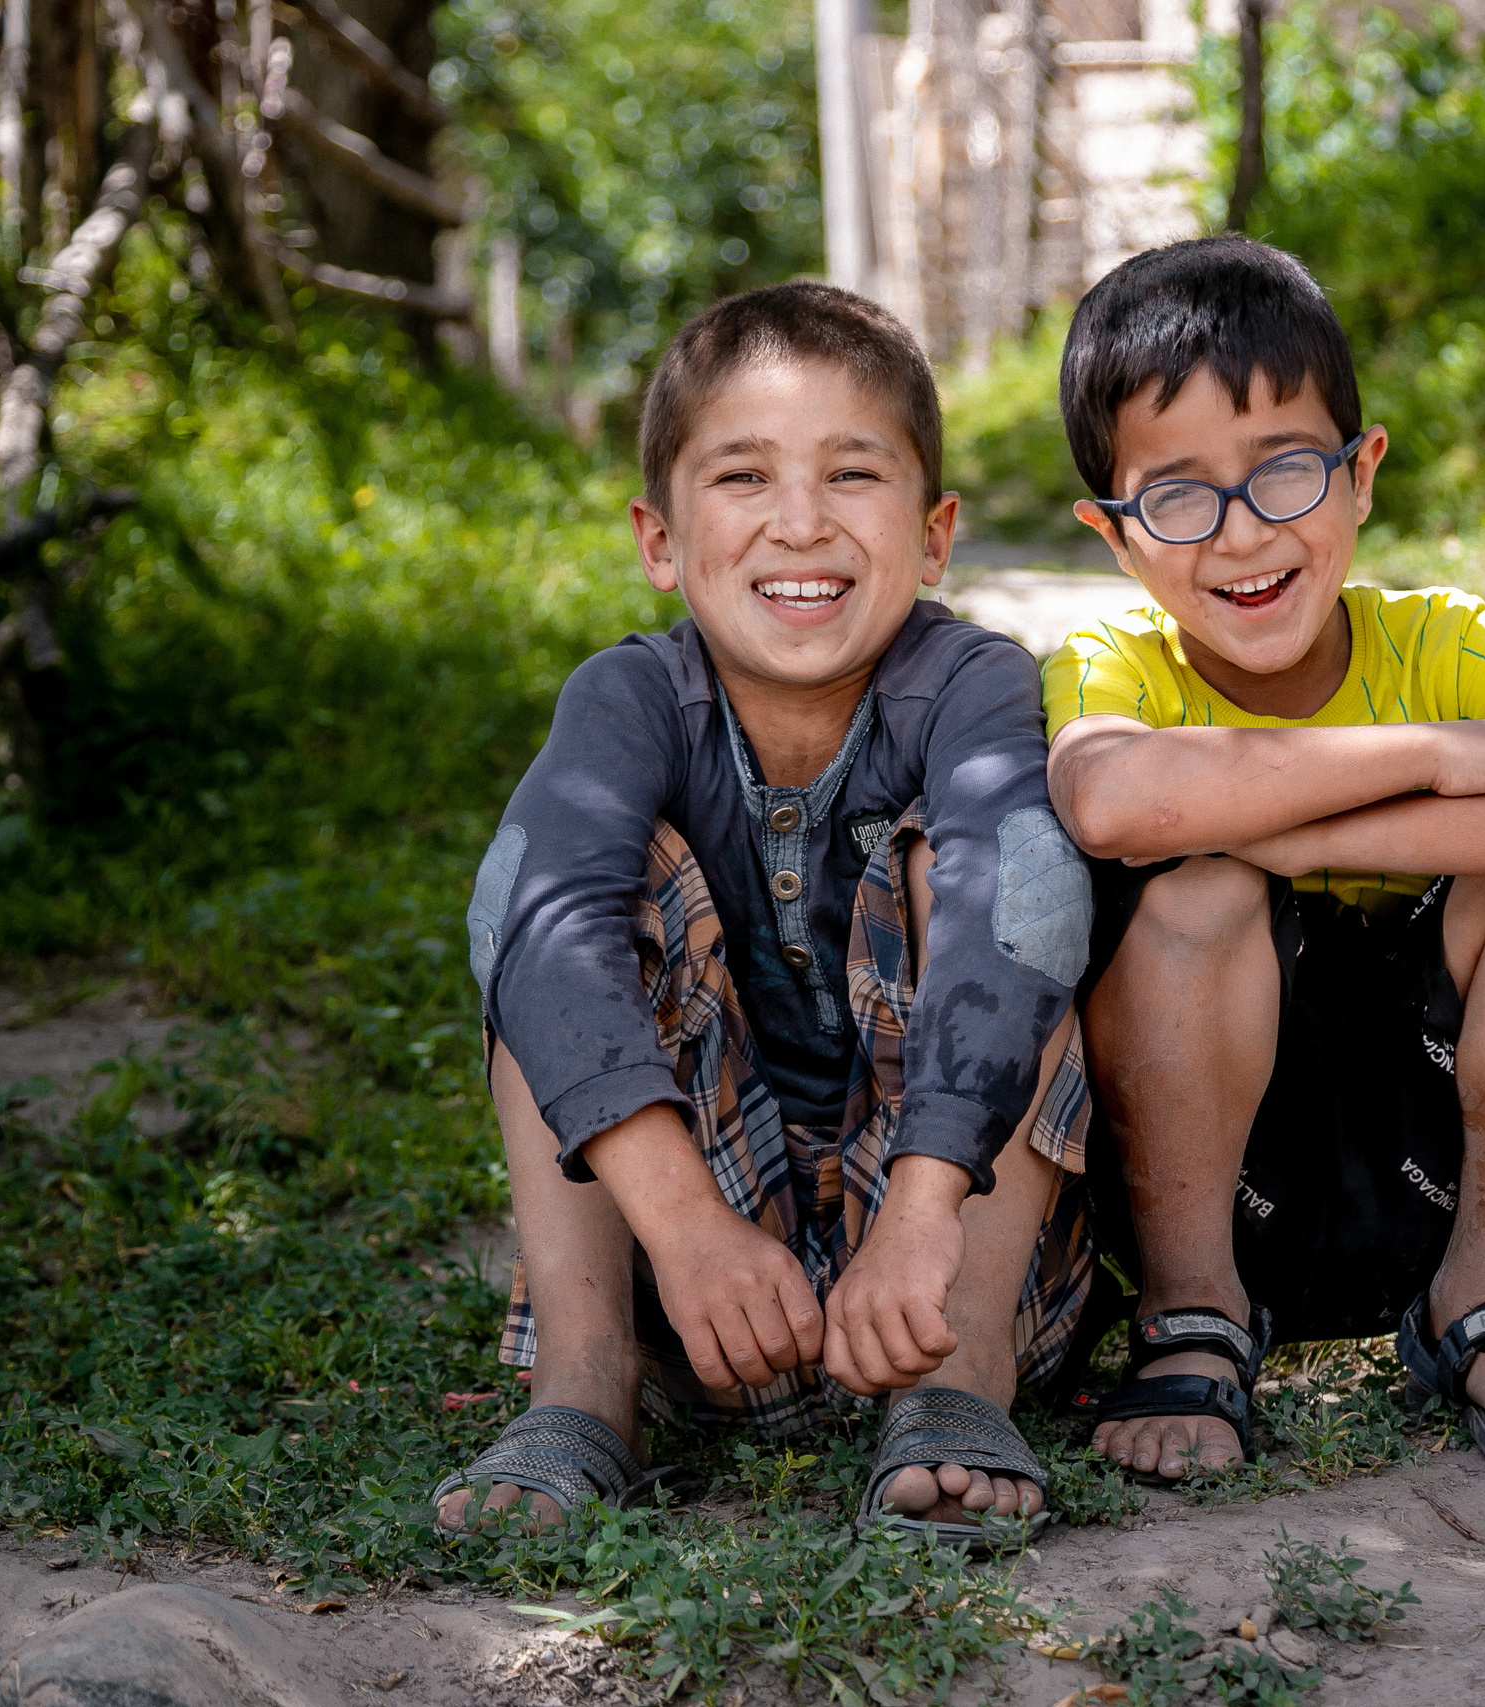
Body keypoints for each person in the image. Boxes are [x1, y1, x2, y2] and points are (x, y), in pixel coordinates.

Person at [435, 282, 1095, 1549]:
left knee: (1016, 892)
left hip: (948, 1268)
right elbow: (533, 916)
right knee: (547, 916)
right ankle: (585, 1389)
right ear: (660, 541)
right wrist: (687, 1234)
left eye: (854, 475)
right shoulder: (628, 696)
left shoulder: (973, 681)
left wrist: (920, 1217)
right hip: (691, 1294)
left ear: (935, 532)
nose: (801, 524)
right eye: (743, 478)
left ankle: (959, 1394)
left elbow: (1026, 915)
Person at [1041, 237, 1485, 1481]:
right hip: (1208, 1168)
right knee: (1196, 890)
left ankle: (1482, 1299)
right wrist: (1451, 759)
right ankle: (1193, 1320)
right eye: (1176, 497)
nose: (1239, 535)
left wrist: (1292, 828)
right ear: (1114, 536)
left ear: (1361, 472)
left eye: (1283, 470)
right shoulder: (1113, 662)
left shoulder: (1445, 642)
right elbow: (1112, 800)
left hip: (1423, 1160)